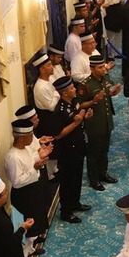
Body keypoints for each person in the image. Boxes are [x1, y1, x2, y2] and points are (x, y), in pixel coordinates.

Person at [46, 76, 92, 221]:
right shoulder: (59, 110)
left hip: (78, 146)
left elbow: (77, 119)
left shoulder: (72, 103)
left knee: (77, 177)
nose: (75, 89)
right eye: (72, 88)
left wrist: (85, 117)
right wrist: (76, 122)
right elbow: (58, 135)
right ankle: (66, 212)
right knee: (68, 181)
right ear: (65, 92)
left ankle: (75, 202)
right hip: (67, 151)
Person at [4, 120, 51, 257]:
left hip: (32, 190)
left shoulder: (23, 149)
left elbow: (30, 162)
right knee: (24, 225)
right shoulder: (13, 157)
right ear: (22, 137)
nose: (33, 138)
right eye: (30, 135)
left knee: (34, 221)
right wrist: (35, 168)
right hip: (23, 195)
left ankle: (30, 249)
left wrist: (39, 155)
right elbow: (17, 182)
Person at [83, 54, 122, 191]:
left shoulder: (105, 78)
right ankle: (94, 180)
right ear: (91, 69)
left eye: (103, 66)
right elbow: (79, 105)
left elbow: (105, 96)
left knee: (104, 151)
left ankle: (103, 173)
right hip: (94, 124)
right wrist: (94, 100)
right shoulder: (86, 85)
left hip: (106, 121)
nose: (103, 70)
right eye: (100, 67)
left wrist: (112, 93)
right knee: (94, 153)